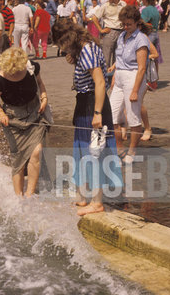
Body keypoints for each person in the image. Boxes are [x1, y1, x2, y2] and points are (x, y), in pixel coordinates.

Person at [52, 19, 121, 215]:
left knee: (94, 152)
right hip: (85, 102)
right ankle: (82, 196)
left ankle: (97, 201)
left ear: (67, 38)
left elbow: (99, 83)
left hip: (93, 103)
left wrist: (97, 113)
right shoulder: (83, 48)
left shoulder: (88, 49)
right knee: (81, 150)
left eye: (60, 43)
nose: (60, 48)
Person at [0, 47, 51, 197]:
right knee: (18, 158)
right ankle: (19, 196)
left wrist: (44, 98)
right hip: (12, 118)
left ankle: (29, 194)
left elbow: (40, 84)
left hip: (34, 113)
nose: (16, 74)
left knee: (37, 152)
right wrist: (1, 113)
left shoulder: (32, 68)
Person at [108, 5, 150, 164]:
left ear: (137, 22)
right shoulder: (121, 36)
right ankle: (119, 148)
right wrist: (114, 76)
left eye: (129, 24)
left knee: (133, 118)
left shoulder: (141, 39)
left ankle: (132, 150)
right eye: (124, 24)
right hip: (119, 76)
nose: (126, 27)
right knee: (112, 115)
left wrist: (135, 90)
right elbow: (118, 58)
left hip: (133, 77)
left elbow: (142, 68)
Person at [91, 0, 126, 67]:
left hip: (121, 32)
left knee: (118, 59)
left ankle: (115, 78)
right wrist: (101, 30)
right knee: (106, 58)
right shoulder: (105, 6)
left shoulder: (123, 4)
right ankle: (105, 78)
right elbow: (94, 18)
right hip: (110, 32)